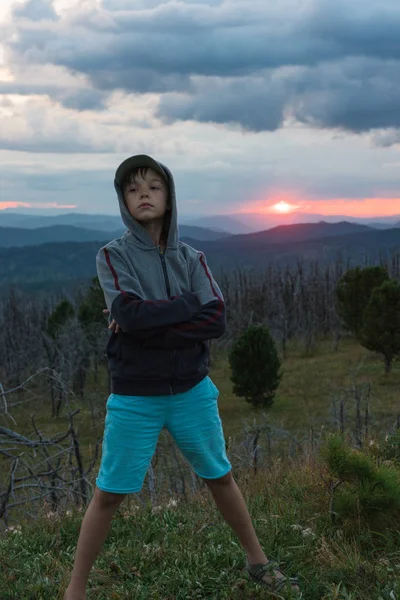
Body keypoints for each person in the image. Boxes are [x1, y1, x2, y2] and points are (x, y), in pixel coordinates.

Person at [64, 155, 300, 599]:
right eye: (133, 189)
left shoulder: (192, 257)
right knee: (110, 493)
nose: (144, 194)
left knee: (220, 476)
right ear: (123, 201)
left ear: (169, 196)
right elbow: (130, 314)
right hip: (137, 395)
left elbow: (216, 320)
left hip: (191, 389)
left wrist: (147, 327)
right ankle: (75, 590)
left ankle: (258, 562)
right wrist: (185, 306)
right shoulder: (112, 256)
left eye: (154, 186)